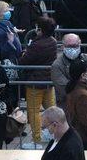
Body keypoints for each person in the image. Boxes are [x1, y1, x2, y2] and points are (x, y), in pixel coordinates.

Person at [18, 17, 57, 150]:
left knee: (34, 111)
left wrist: (23, 54)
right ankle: (53, 134)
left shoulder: (36, 44)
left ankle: (37, 139)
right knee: (51, 109)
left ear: (40, 29)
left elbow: (24, 61)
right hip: (49, 80)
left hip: (35, 81)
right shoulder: (53, 41)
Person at [51, 33, 87, 111]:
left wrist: (76, 81)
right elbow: (64, 89)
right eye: (69, 46)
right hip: (67, 107)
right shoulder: (57, 65)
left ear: (80, 44)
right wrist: (86, 80)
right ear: (63, 46)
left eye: (75, 46)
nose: (72, 49)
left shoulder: (86, 58)